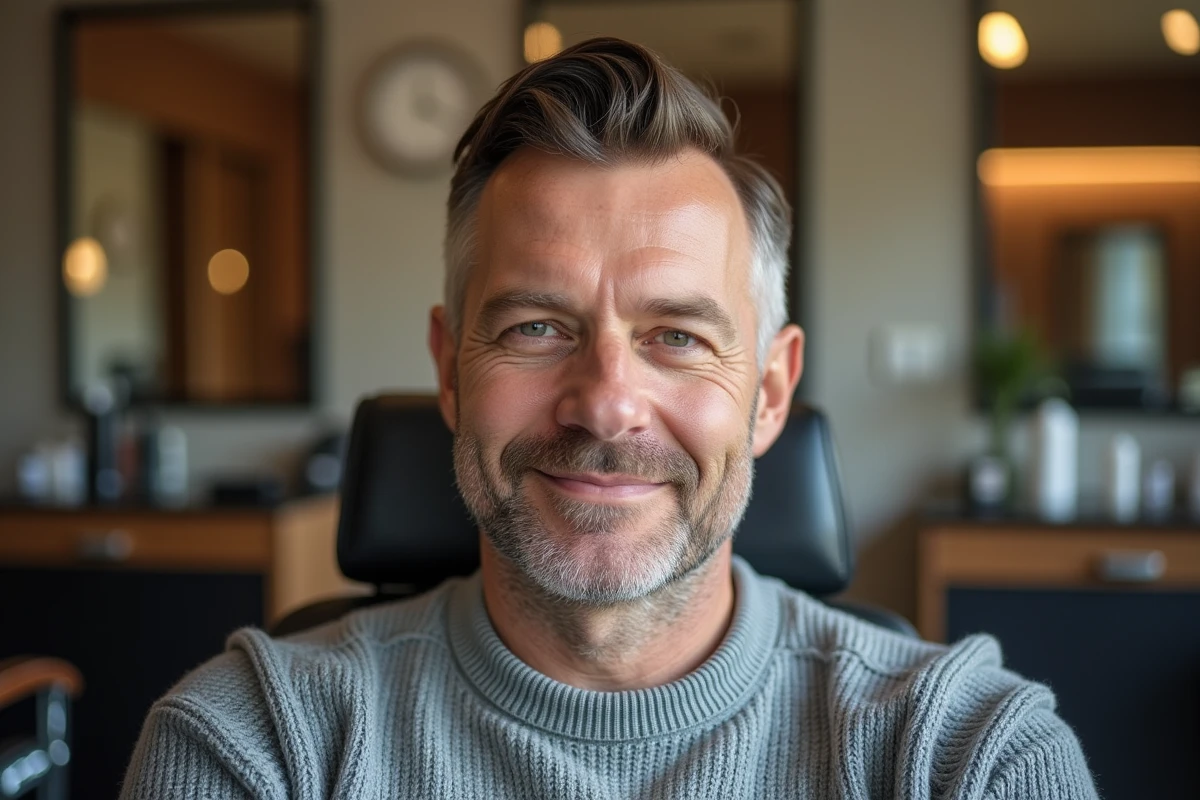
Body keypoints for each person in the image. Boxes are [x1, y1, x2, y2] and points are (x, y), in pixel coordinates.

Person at [120, 38, 1097, 799]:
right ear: (449, 371)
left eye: (676, 335)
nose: (607, 401)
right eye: (538, 326)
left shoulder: (963, 754)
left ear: (768, 390)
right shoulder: (255, 741)